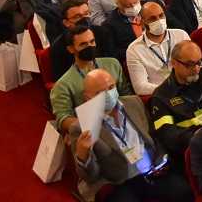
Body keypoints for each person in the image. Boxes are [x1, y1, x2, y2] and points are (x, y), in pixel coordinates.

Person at [70, 69, 193, 202]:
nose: (108, 94)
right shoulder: (81, 127)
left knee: (184, 191)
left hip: (153, 171)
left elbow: (155, 136)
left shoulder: (134, 102)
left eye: (111, 87)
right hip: (121, 182)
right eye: (100, 92)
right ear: (89, 98)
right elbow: (91, 176)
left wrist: (161, 159)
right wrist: (83, 157)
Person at [148, 40, 202, 173]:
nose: (196, 68)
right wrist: (195, 136)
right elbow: (166, 133)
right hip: (195, 151)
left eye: (199, 62)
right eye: (190, 64)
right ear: (174, 64)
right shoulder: (161, 96)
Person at [51, 25, 134, 133]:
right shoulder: (63, 85)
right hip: (94, 131)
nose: (89, 47)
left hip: (123, 120)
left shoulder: (113, 64)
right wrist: (92, 128)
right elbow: (63, 119)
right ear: (71, 49)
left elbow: (127, 94)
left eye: (92, 41)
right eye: (83, 44)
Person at [126, 2, 190, 96]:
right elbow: (140, 87)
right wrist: (171, 88)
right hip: (162, 96)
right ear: (143, 24)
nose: (159, 20)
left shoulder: (181, 35)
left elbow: (195, 65)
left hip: (188, 87)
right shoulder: (134, 50)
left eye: (161, 16)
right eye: (153, 18)